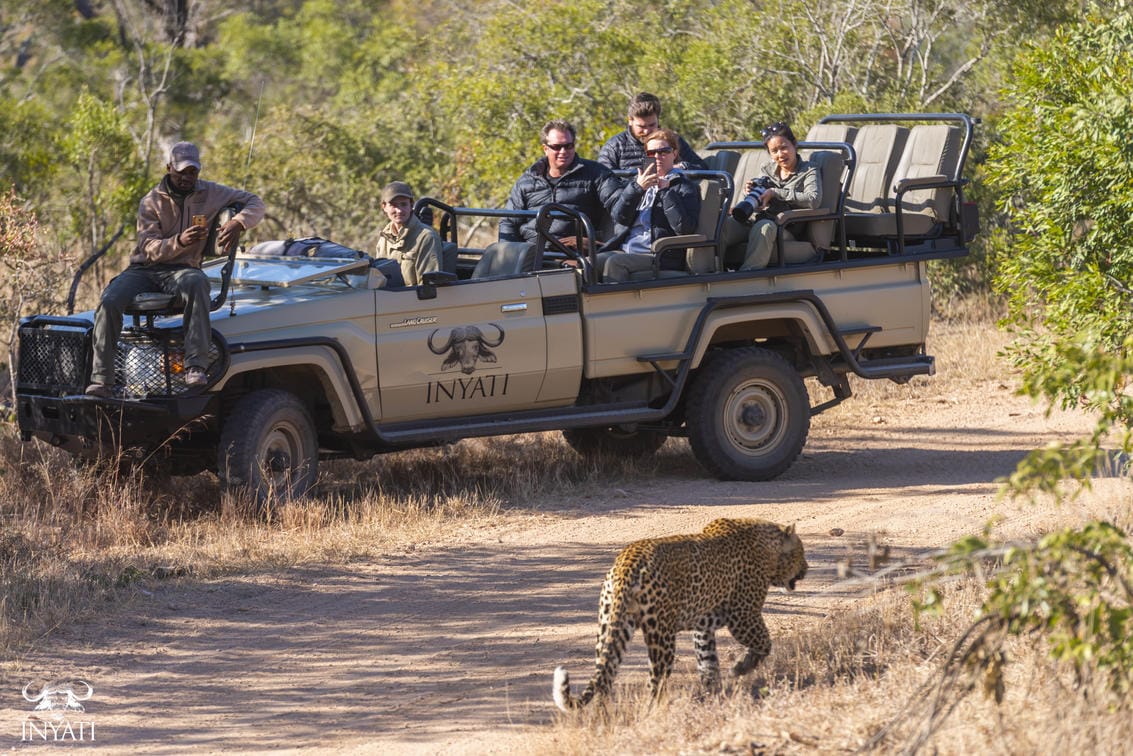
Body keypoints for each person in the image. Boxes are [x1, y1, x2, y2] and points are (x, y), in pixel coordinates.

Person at [86, 141, 265, 397]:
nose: (186, 177)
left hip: (183, 270)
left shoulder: (211, 192)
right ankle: (102, 379)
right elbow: (149, 248)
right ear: (169, 168)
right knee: (110, 299)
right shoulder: (150, 201)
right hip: (145, 269)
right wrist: (180, 241)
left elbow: (255, 202)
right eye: (181, 171)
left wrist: (239, 222)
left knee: (197, 283)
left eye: (192, 172)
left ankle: (195, 366)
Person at [599, 129, 701, 282]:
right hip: (627, 249)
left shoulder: (684, 187)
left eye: (664, 152)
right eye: (651, 153)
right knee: (589, 263)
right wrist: (637, 189)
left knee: (615, 264)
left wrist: (666, 192)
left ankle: (618, 305)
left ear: (674, 154)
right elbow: (619, 217)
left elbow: (684, 229)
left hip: (659, 254)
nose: (658, 157)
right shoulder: (639, 182)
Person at [499, 120, 621, 248]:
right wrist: (508, 254)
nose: (563, 151)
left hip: (574, 251)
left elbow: (620, 205)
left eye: (568, 146)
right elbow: (508, 222)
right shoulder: (527, 181)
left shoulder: (596, 173)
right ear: (545, 148)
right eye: (557, 147)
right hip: (532, 251)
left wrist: (637, 188)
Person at [733, 122, 821, 270]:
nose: (780, 155)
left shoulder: (809, 169)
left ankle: (747, 277)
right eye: (774, 151)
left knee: (764, 227)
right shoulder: (766, 169)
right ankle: (706, 275)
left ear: (794, 145)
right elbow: (759, 198)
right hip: (759, 219)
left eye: (784, 147)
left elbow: (813, 200)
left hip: (785, 227)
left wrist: (776, 193)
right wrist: (749, 191)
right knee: (726, 225)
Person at [597, 92, 706, 172]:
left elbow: (703, 169)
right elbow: (603, 180)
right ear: (630, 121)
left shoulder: (673, 141)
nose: (647, 131)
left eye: (652, 125)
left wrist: (680, 167)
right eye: (641, 126)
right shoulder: (614, 146)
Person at [375, 181, 442, 286]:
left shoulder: (426, 237)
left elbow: (429, 287)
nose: (399, 210)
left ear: (411, 205)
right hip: (387, 299)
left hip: (414, 300)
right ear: (384, 207)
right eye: (393, 205)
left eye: (403, 204)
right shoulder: (384, 238)